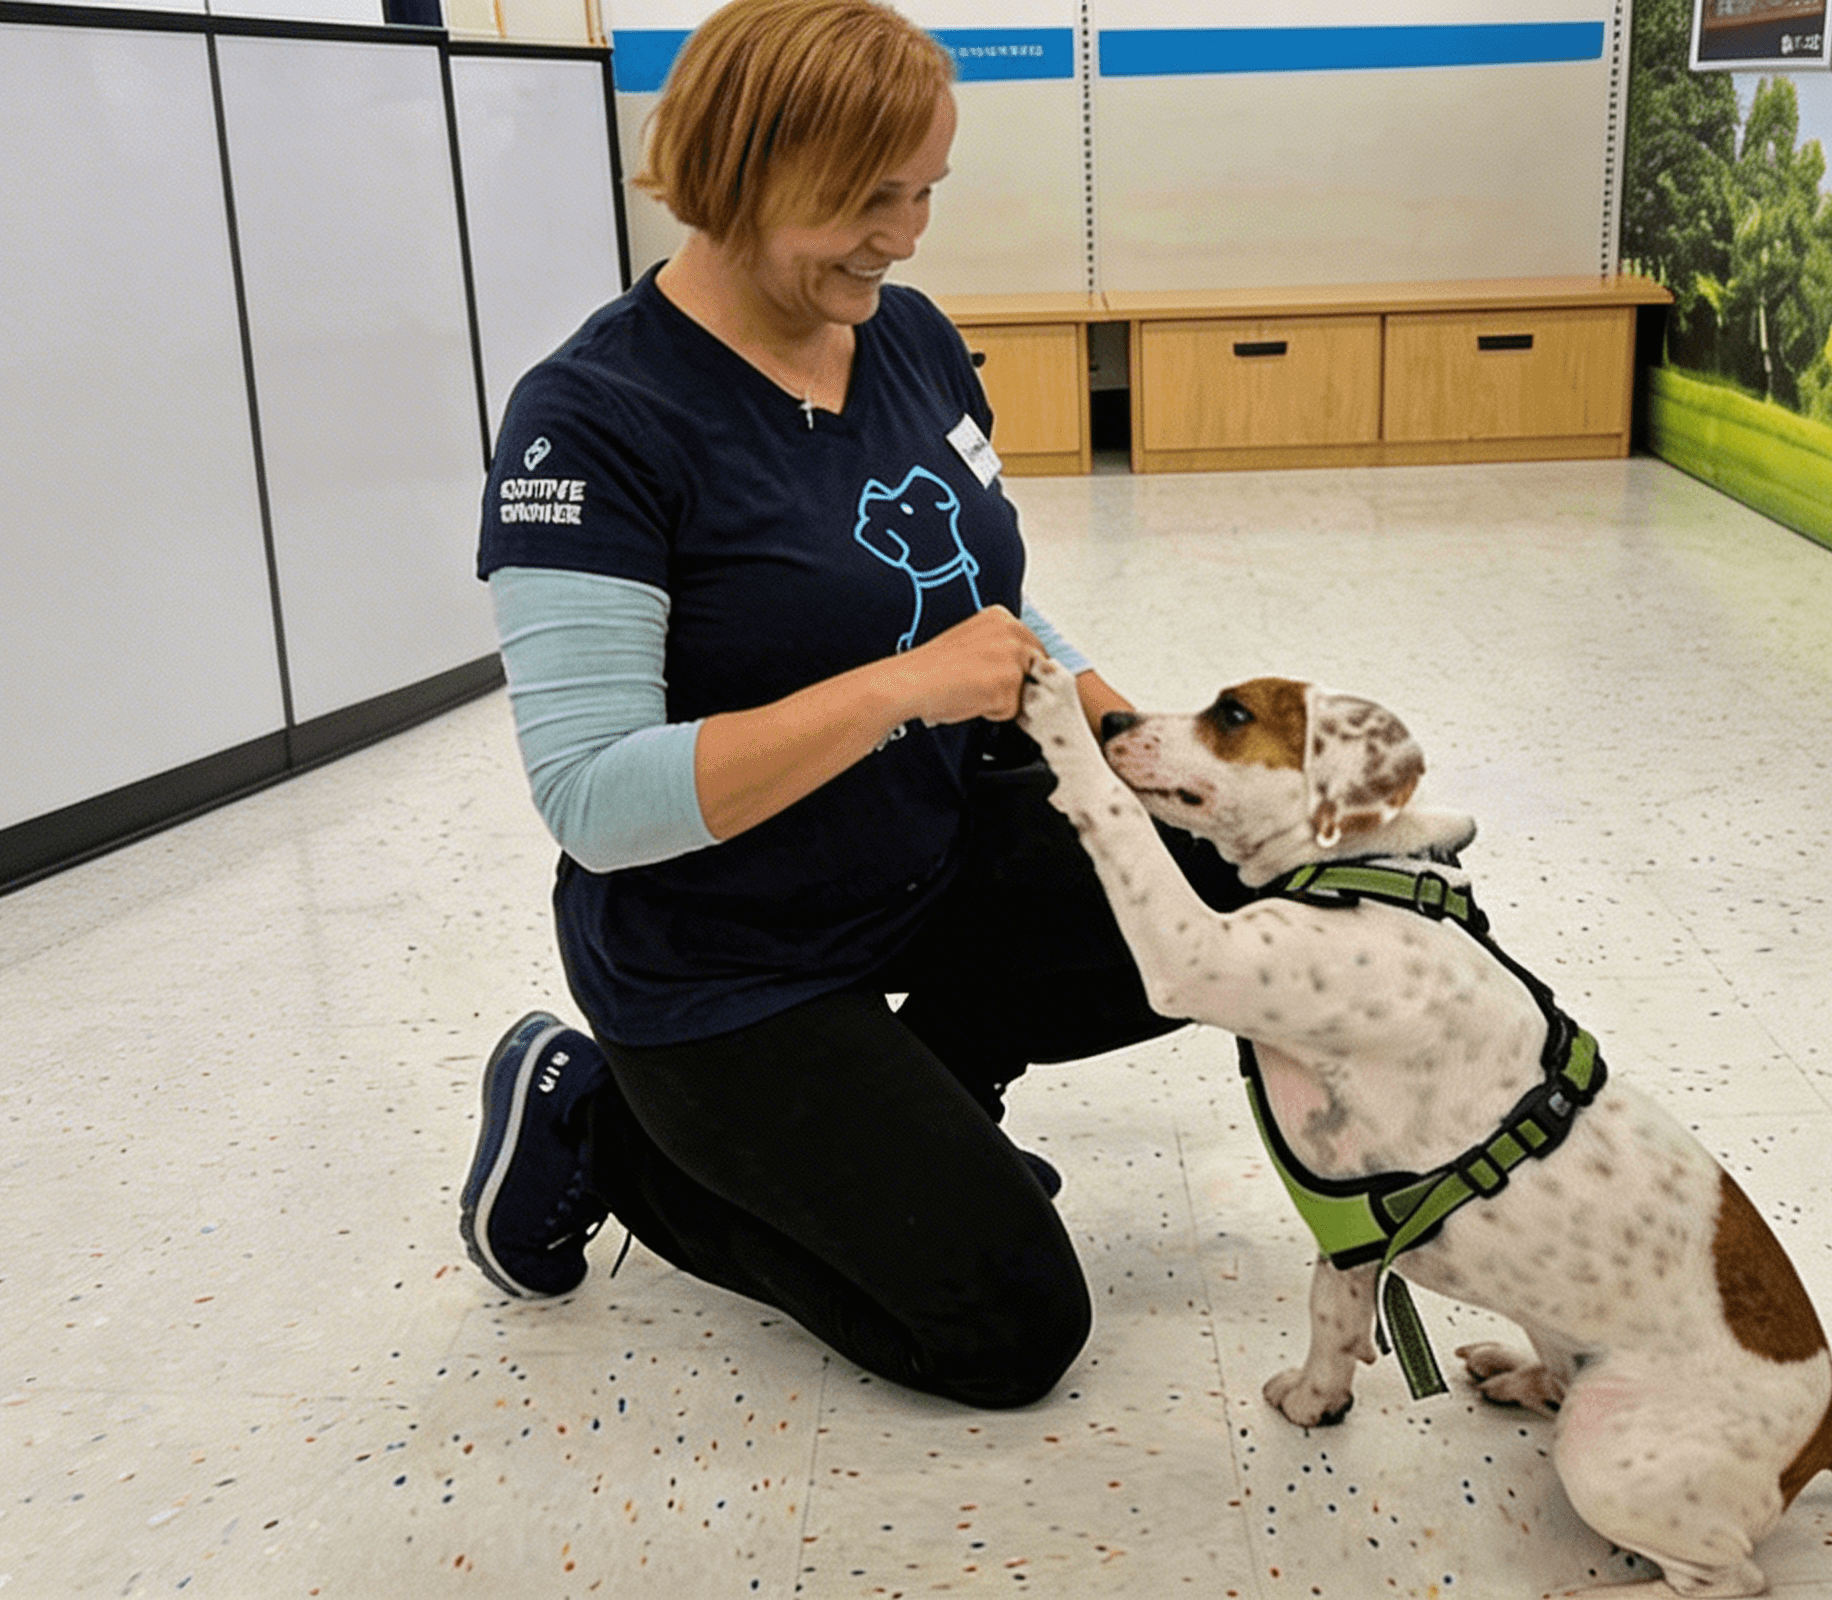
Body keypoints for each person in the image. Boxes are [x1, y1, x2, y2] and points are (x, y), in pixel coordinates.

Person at [457, 0, 1243, 1411]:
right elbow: (589, 798)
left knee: (1233, 877)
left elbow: (980, 604)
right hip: (722, 953)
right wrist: (897, 689)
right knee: (1006, 1337)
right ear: (738, 172)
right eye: (869, 199)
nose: (909, 232)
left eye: (926, 187)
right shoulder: (593, 419)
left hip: (920, 857)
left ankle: (935, 1096)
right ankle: (610, 1134)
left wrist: (1137, 744)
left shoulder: (909, 336)